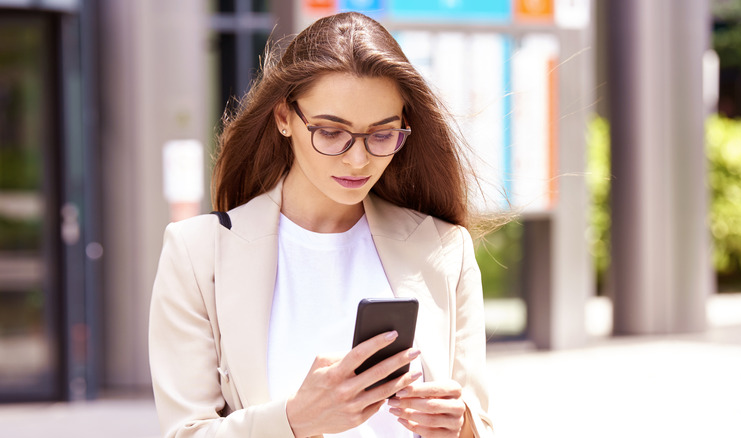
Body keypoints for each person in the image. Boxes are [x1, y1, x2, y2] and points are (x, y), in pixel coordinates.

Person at [149, 11, 494, 438]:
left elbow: (479, 421)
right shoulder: (198, 253)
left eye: (382, 134)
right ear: (283, 118)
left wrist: (460, 426)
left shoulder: (443, 248)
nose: (358, 160)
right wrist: (293, 421)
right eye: (331, 132)